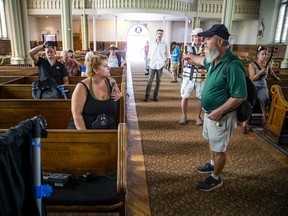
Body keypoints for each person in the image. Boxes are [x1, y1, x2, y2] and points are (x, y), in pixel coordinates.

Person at [183, 24, 247, 191]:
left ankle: (216, 178)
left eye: (208, 38)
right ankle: (212, 165)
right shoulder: (214, 58)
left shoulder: (233, 65)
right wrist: (190, 56)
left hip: (222, 117)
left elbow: (240, 95)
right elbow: (200, 61)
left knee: (219, 149)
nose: (204, 42)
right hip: (210, 114)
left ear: (219, 41)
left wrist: (219, 111)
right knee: (212, 142)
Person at [68, 54, 122, 130]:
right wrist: (86, 136)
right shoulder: (82, 87)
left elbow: (119, 97)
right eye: (105, 66)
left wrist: (119, 96)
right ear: (95, 70)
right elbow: (77, 114)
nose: (109, 68)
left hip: (106, 129)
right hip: (84, 130)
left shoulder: (112, 82)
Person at [241, 45, 281, 133]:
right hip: (253, 86)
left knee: (265, 98)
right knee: (250, 103)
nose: (264, 56)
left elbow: (271, 73)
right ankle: (245, 124)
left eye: (266, 54)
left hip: (263, 86)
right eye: (262, 54)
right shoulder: (252, 65)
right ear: (258, 54)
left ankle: (264, 117)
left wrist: (276, 78)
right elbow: (252, 78)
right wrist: (261, 72)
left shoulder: (267, 64)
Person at [179, 28, 206, 126]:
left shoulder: (206, 47)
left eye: (199, 36)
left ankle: (198, 117)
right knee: (185, 96)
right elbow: (187, 61)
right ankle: (184, 116)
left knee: (201, 98)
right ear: (193, 37)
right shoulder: (187, 46)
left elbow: (207, 61)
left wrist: (194, 60)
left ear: (202, 37)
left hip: (202, 76)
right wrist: (201, 61)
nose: (197, 38)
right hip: (188, 76)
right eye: (196, 36)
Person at [144, 29, 170, 102]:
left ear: (162, 35)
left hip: (160, 65)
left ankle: (155, 96)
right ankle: (147, 96)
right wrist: (149, 62)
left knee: (158, 81)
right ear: (156, 34)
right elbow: (149, 53)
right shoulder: (152, 42)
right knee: (149, 81)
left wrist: (166, 62)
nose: (159, 35)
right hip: (152, 64)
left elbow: (168, 54)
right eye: (158, 33)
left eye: (161, 34)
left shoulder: (165, 43)